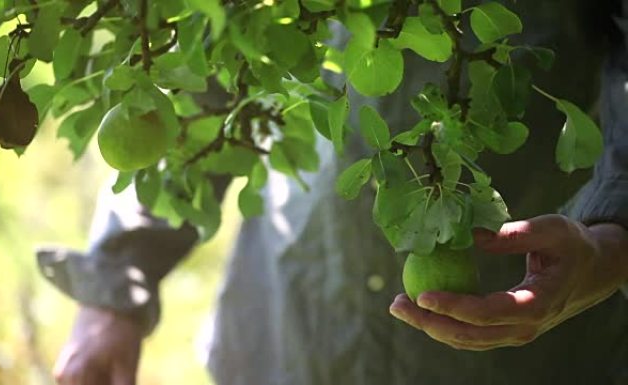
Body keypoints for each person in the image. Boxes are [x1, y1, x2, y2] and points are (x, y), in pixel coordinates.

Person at [38, 1, 628, 384]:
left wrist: (610, 241)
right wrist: (116, 286)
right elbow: (216, 54)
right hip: (288, 333)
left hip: (525, 356)